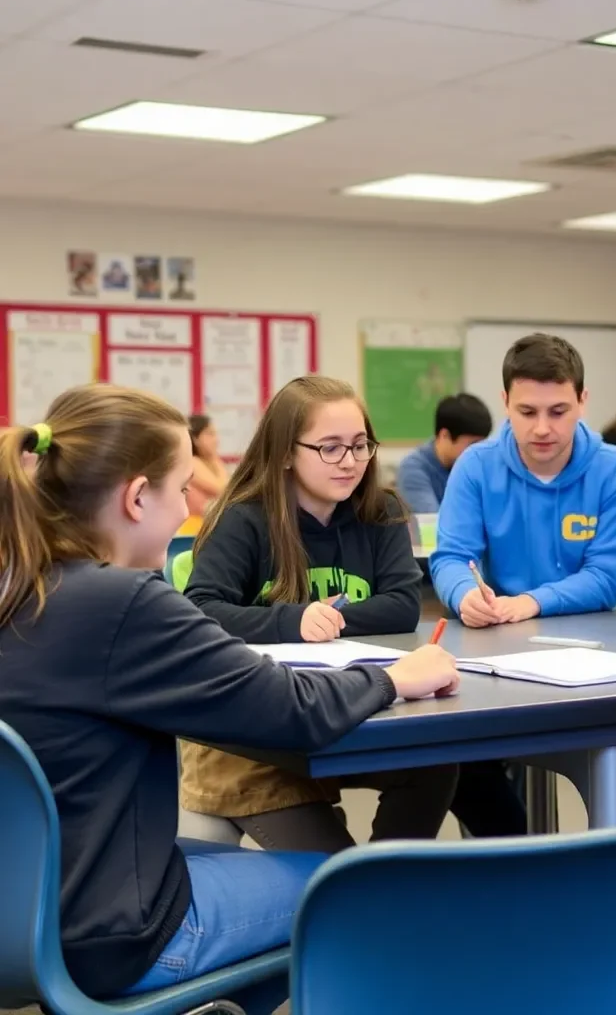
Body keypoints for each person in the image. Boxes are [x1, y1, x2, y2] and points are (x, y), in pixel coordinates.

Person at [0, 385, 460, 1011]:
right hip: (112, 933)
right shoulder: (126, 603)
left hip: (28, 909)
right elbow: (290, 708)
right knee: (364, 893)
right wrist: (393, 679)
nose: (191, 506)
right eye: (183, 487)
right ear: (138, 498)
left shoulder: (20, 588)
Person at [182, 376, 458, 851]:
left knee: (434, 763)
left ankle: (383, 883)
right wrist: (292, 621)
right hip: (253, 741)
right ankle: (361, 900)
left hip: (350, 708)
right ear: (287, 451)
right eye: (330, 448)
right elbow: (200, 610)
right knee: (335, 869)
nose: (350, 461)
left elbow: (401, 605)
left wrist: (330, 621)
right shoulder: (245, 517)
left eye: (360, 445)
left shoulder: (381, 510)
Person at [430, 332, 616, 625]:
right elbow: (451, 558)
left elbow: (605, 577)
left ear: (582, 401)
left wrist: (531, 602)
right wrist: (464, 595)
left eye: (558, 412)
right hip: (500, 631)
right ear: (505, 403)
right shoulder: (475, 466)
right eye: (527, 412)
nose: (542, 428)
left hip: (593, 637)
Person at [396, 392, 492, 513]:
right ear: (445, 435)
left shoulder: (477, 465)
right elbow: (433, 522)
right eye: (472, 444)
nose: (479, 451)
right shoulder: (413, 469)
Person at [186, 414, 229, 518]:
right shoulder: (191, 463)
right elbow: (224, 490)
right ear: (195, 439)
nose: (216, 440)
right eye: (210, 434)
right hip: (193, 527)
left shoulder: (214, 461)